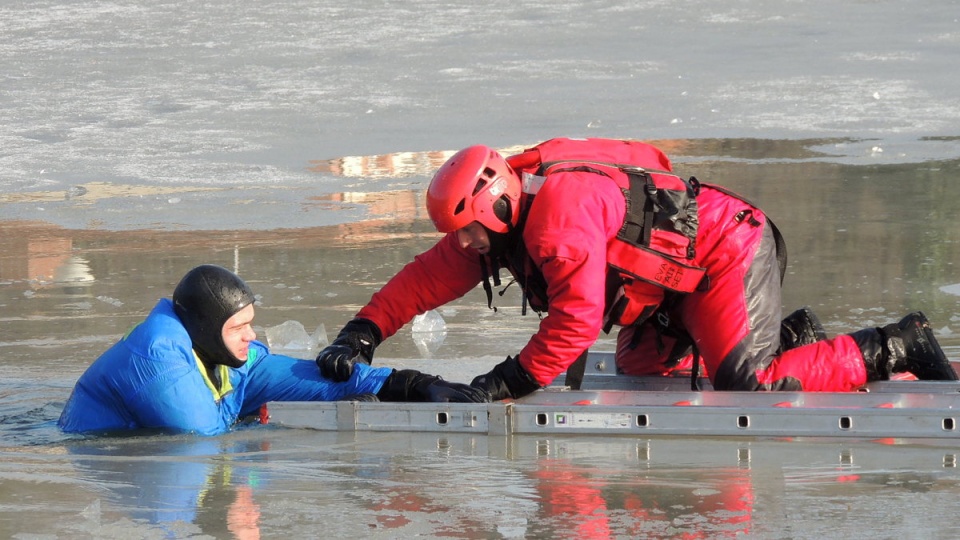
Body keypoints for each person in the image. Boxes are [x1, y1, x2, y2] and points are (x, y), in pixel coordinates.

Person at [316, 137, 957, 401]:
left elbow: (575, 324)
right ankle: (796, 337)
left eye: (470, 232)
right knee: (643, 372)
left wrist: (504, 382)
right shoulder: (508, 213)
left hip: (724, 253)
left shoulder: (557, 223)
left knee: (747, 386)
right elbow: (426, 278)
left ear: (497, 204)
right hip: (667, 285)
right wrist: (361, 333)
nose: (467, 246)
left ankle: (898, 342)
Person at [59, 264, 488, 436]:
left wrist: (412, 386)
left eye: (250, 323)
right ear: (204, 331)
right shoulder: (158, 360)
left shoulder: (223, 352)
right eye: (238, 328)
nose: (252, 336)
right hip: (88, 446)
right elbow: (206, 442)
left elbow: (314, 383)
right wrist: (271, 423)